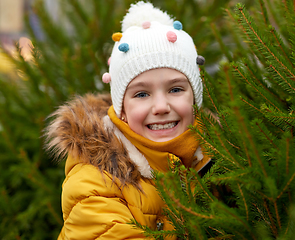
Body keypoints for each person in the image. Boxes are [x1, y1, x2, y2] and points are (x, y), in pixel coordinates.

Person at [45, 1, 211, 239]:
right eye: (142, 94)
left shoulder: (218, 157)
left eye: (175, 89)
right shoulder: (94, 183)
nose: (162, 107)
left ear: (195, 98)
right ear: (121, 108)